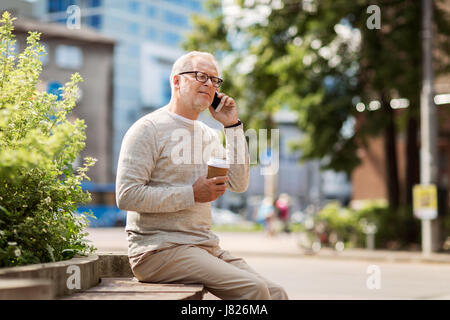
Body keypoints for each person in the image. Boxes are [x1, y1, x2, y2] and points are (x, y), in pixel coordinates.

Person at [116, 51, 288, 300]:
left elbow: (238, 183)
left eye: (215, 80)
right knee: (255, 291)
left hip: (204, 247)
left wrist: (232, 126)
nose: (209, 84)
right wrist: (191, 194)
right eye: (200, 76)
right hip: (158, 251)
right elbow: (126, 196)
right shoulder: (147, 129)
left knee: (277, 293)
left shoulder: (208, 134)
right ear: (176, 81)